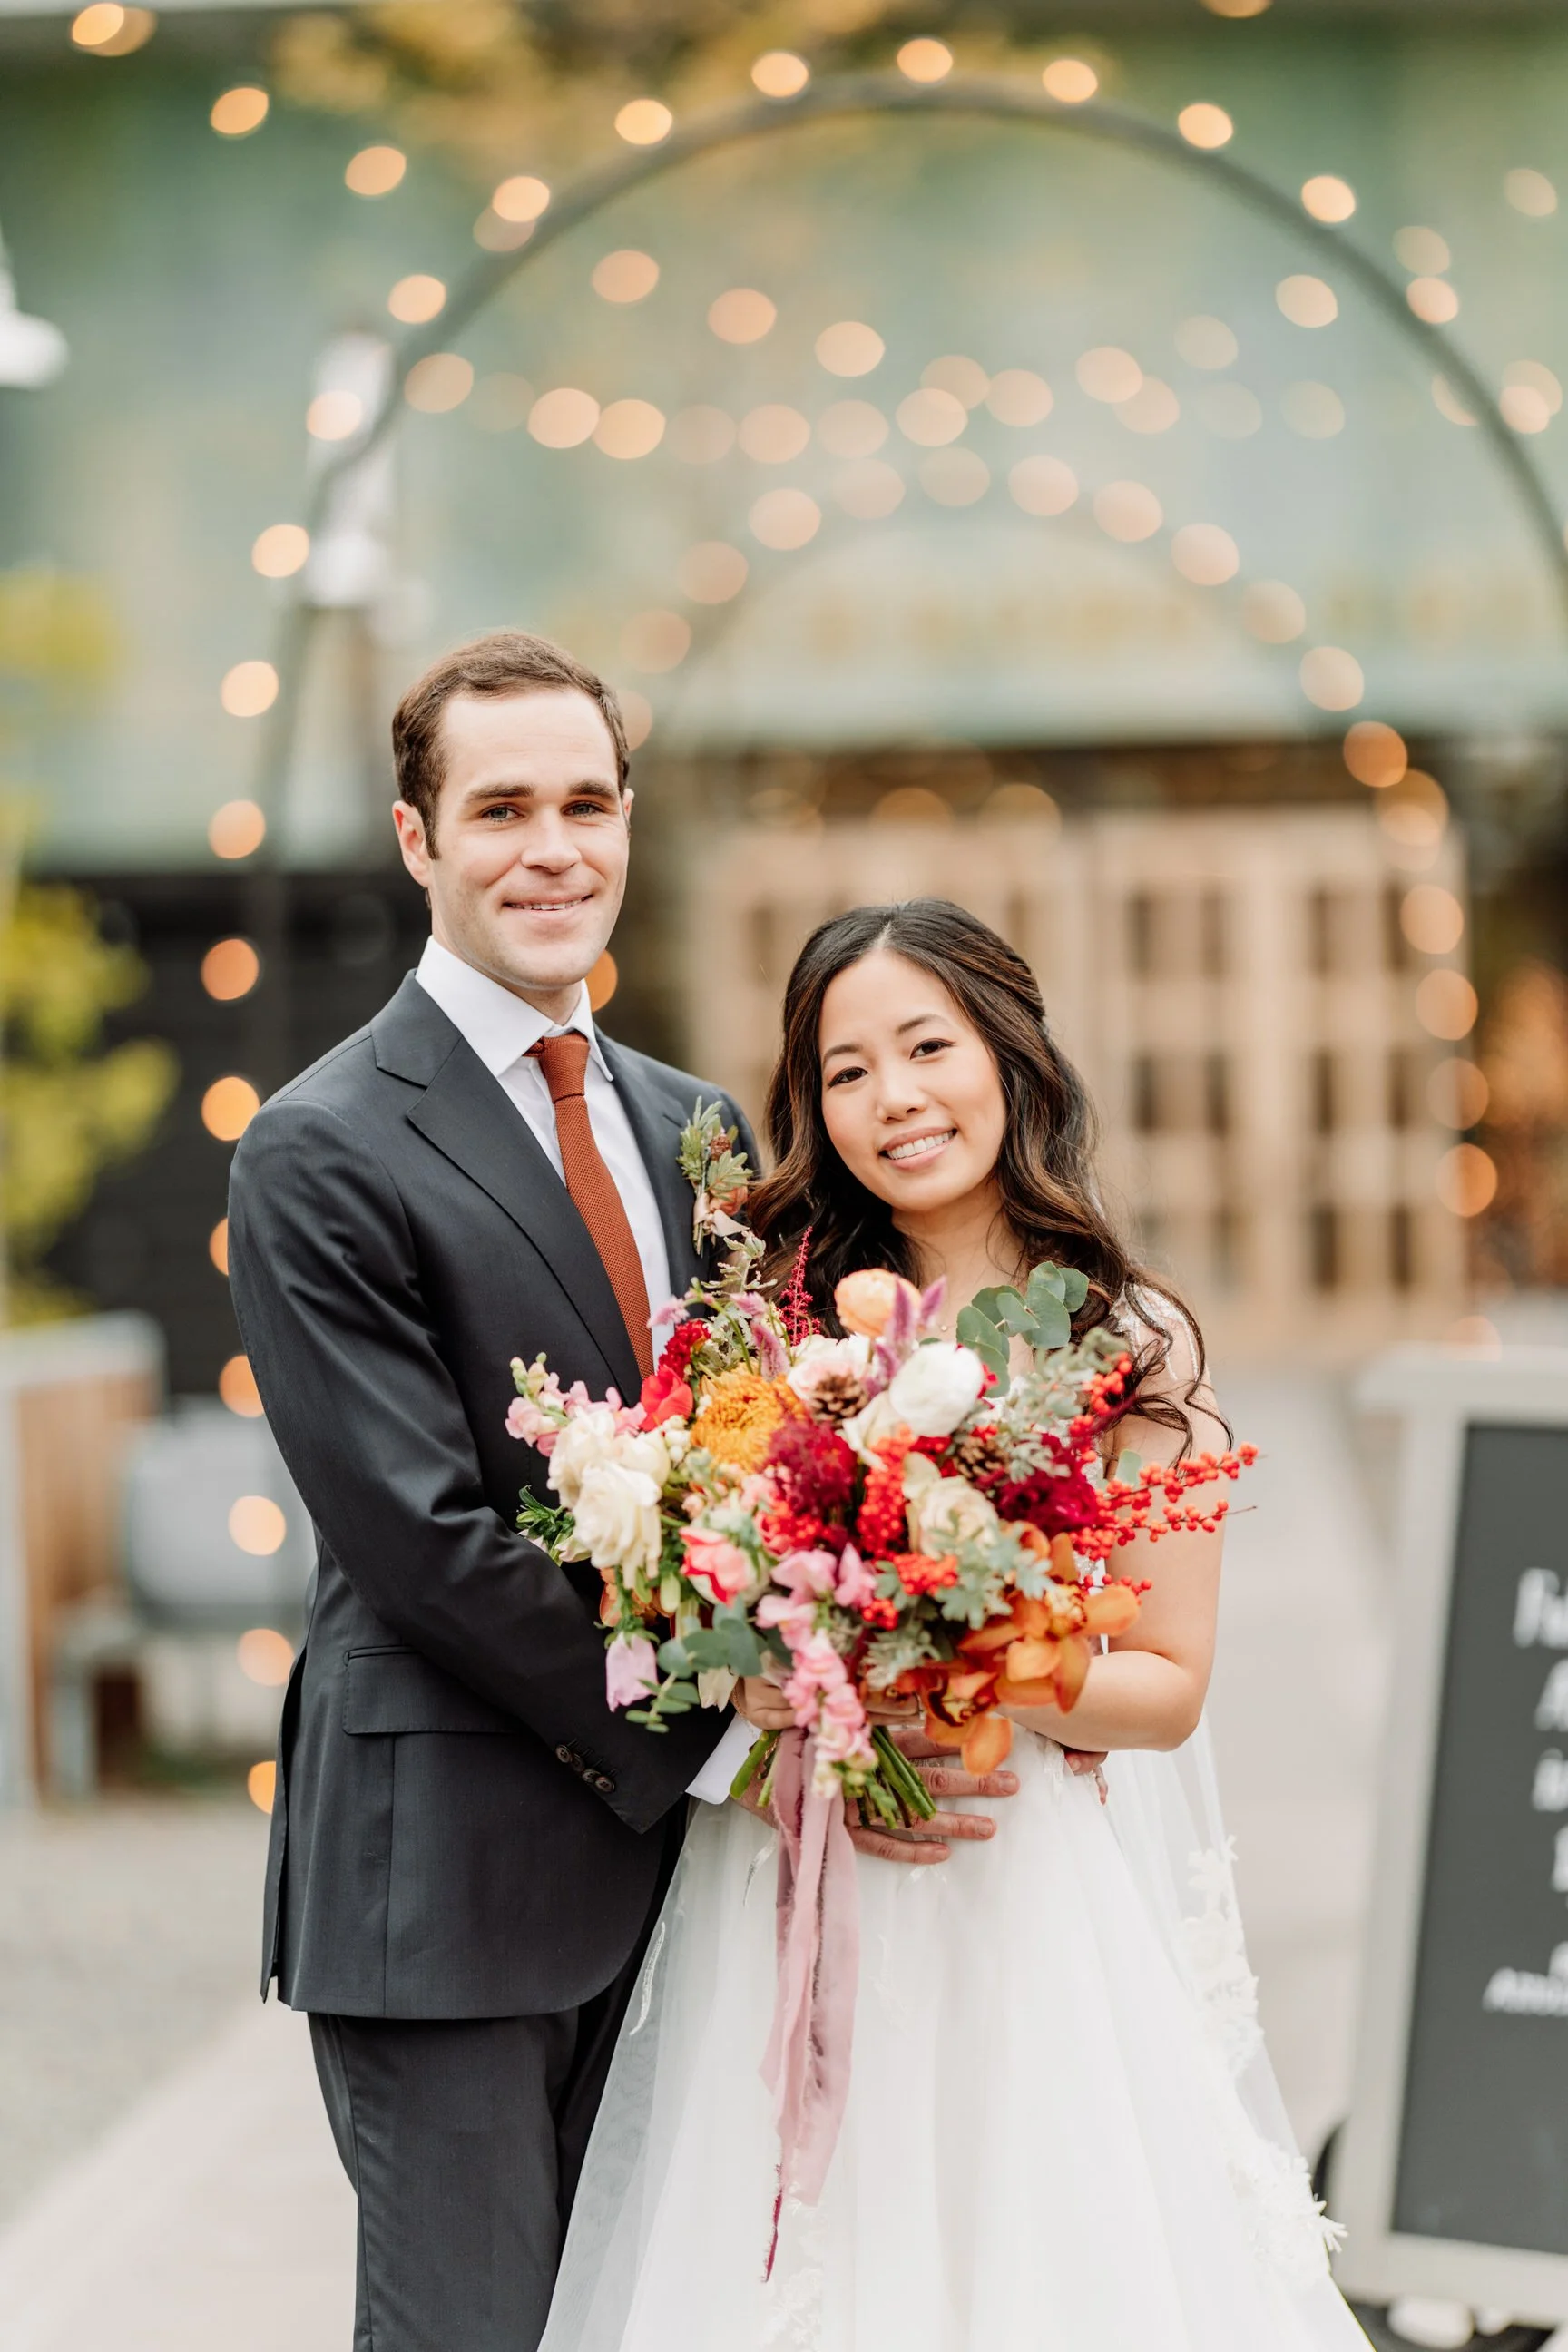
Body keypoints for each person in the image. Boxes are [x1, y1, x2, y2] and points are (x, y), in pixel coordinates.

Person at [227, 637, 1007, 2352]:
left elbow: (768, 1472)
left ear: (629, 823)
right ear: (418, 840)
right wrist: (739, 1758)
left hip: (683, 1903)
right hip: (445, 1891)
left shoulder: (696, 1126)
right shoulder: (318, 1145)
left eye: (586, 802)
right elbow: (422, 1543)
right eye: (500, 808)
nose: (552, 848)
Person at [540, 898, 1374, 2351]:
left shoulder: (1128, 1337)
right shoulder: (765, 1326)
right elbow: (694, 1595)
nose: (894, 1097)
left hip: (1016, 1890)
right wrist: (774, 1686)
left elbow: (1167, 1684)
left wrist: (947, 1650)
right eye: (845, 1070)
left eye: (927, 1046)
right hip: (788, 1889)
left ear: (1011, 1057)